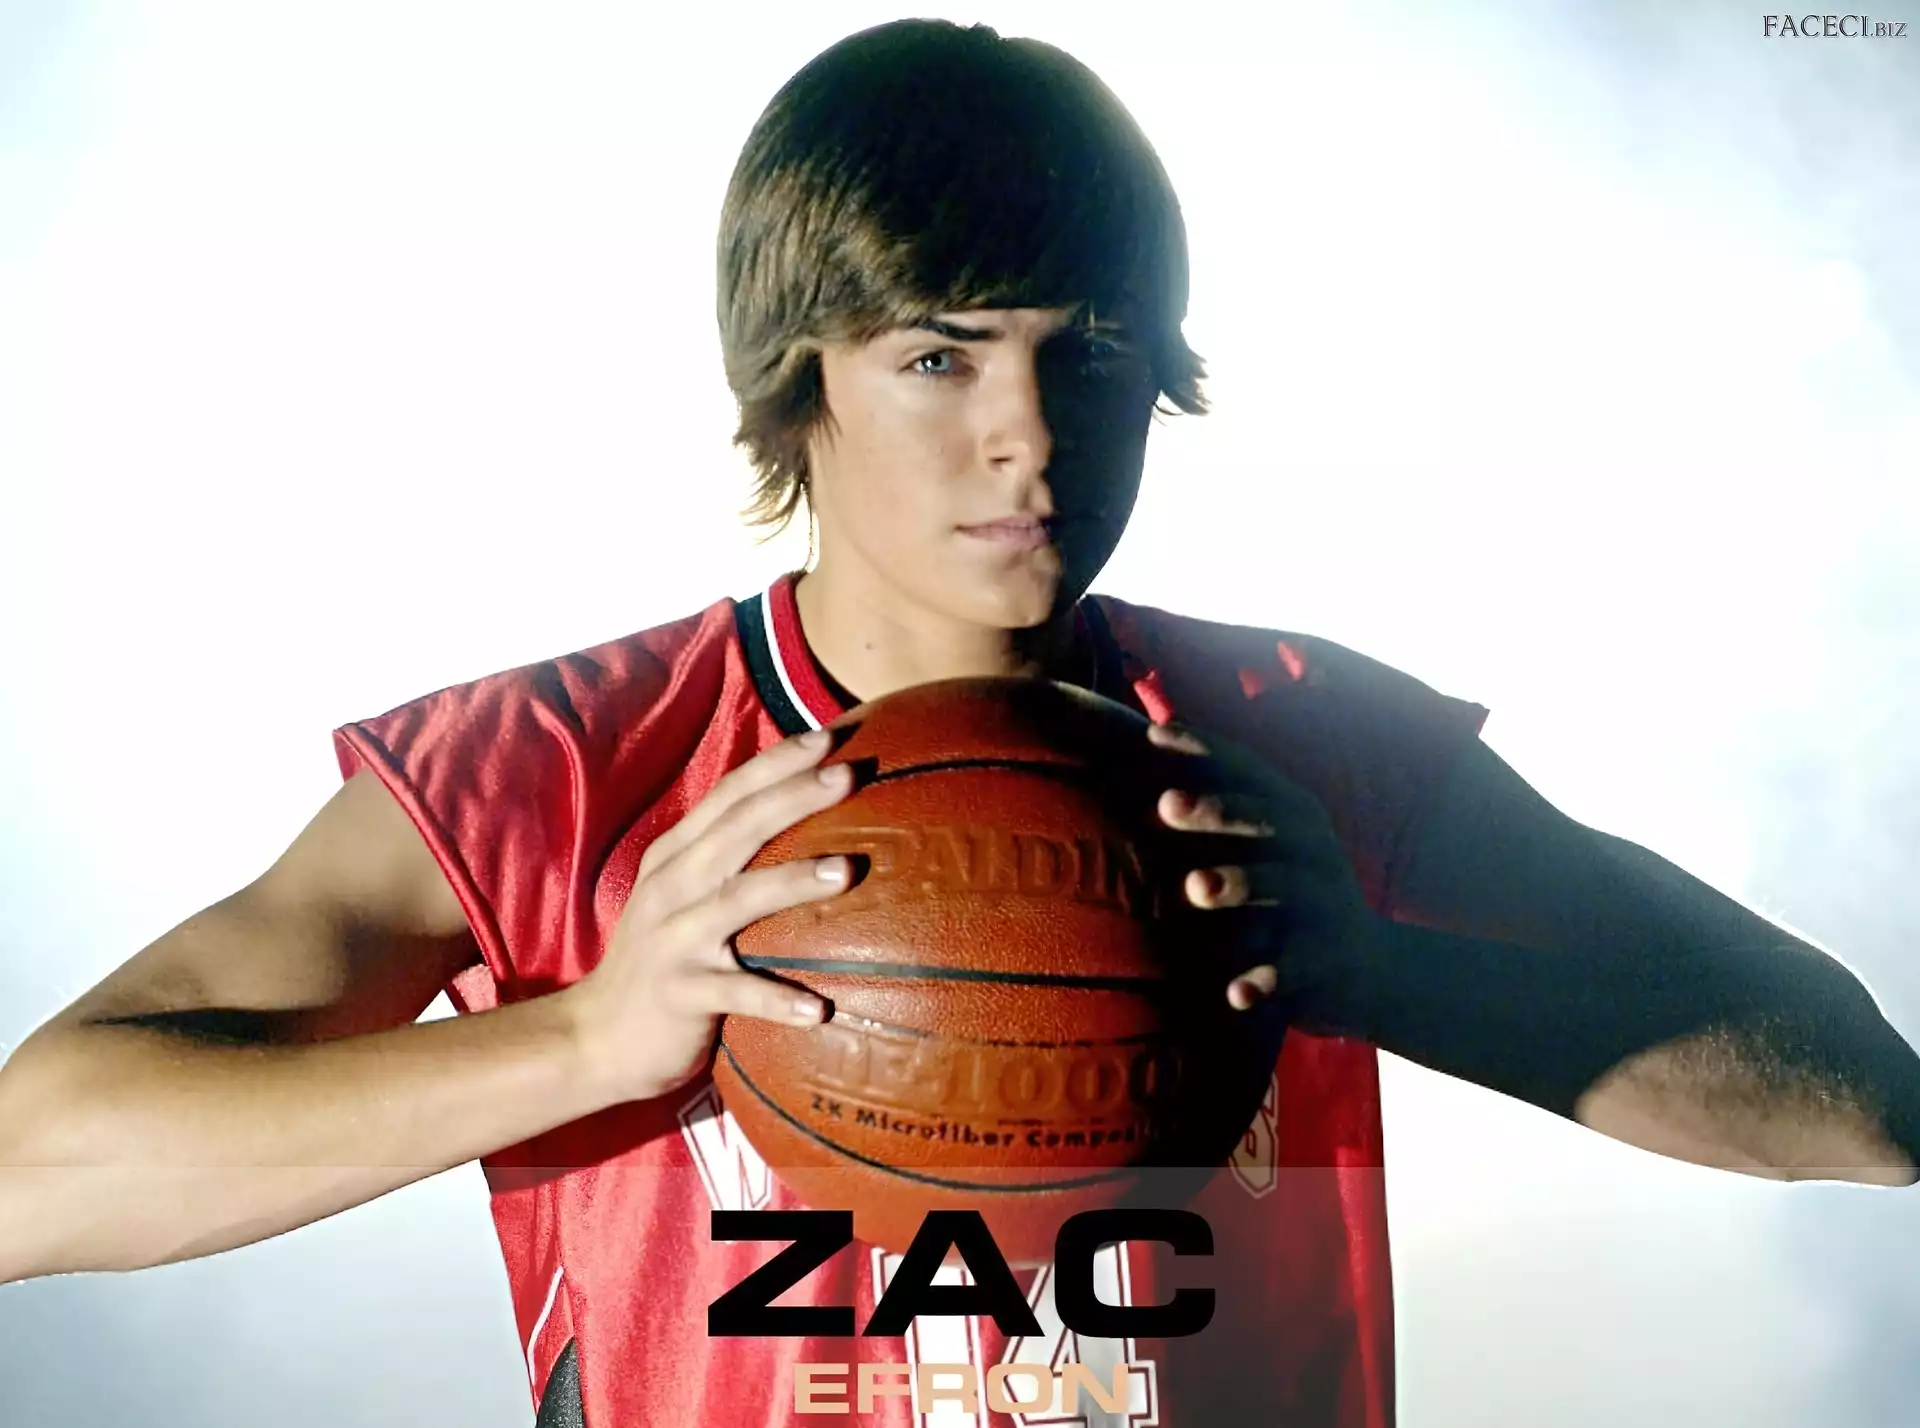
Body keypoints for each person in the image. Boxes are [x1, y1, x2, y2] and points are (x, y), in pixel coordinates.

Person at [1, 18, 1915, 1428]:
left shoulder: (1296, 748)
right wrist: (584, 1037)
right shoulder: (558, 775)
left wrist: (1383, 970)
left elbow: (1868, 1108)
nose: (1027, 437)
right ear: (800, 380)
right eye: (939, 354)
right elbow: (27, 1175)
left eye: (1090, 355)